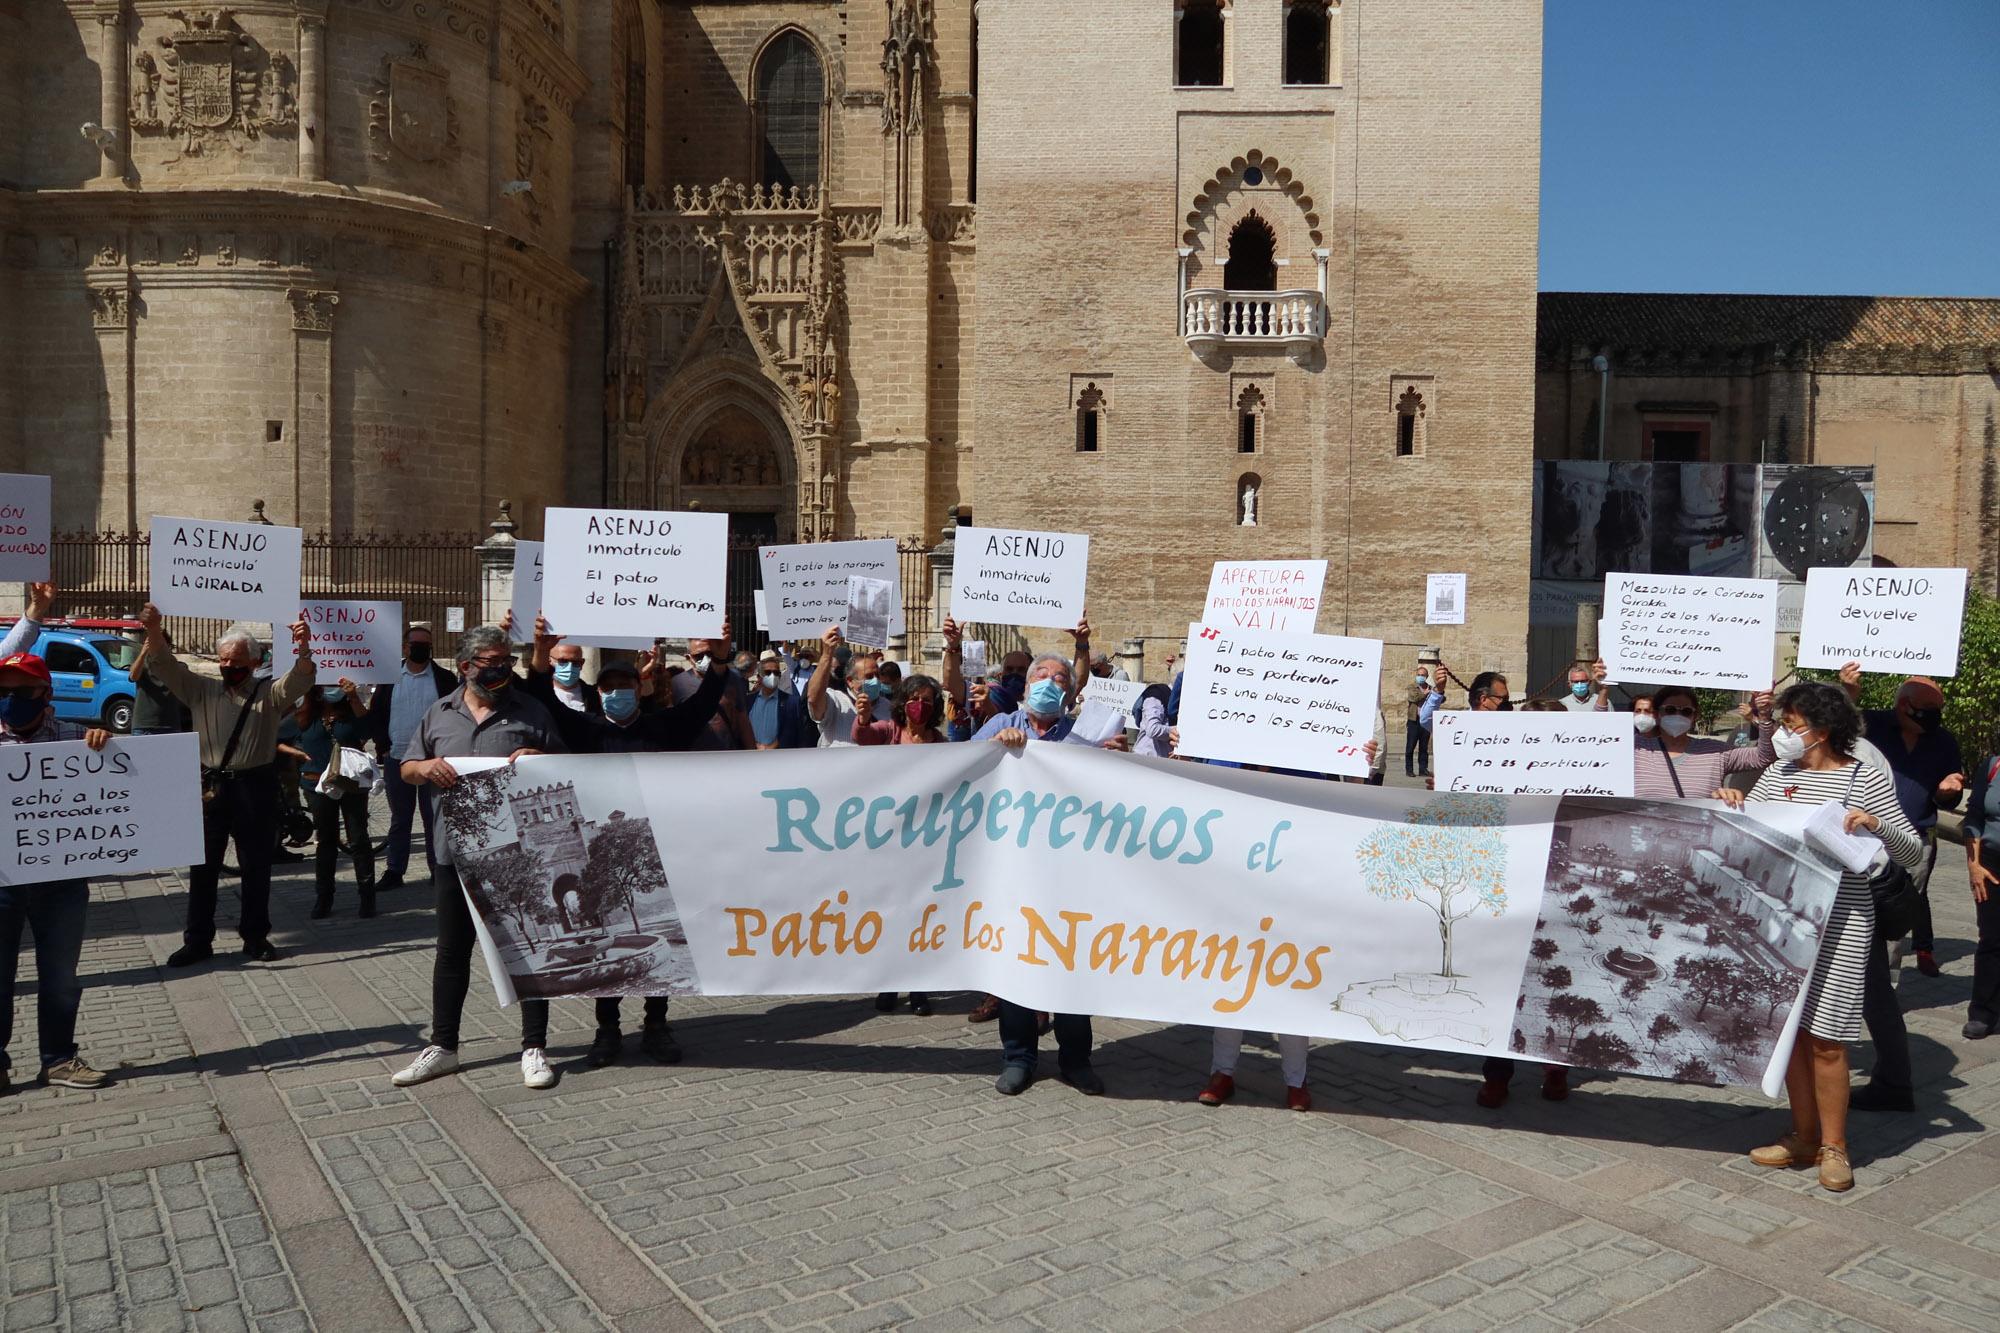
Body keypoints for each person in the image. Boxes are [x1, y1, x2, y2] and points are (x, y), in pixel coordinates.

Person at [1715, 681, 1923, 1193]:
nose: (1784, 734)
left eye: (1791, 725)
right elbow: (1750, 824)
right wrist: (1734, 799)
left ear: (1822, 730)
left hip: (1843, 923)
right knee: (1793, 1033)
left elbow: (1913, 851)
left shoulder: (1864, 777)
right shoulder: (1777, 774)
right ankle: (1802, 1136)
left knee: (1828, 1038)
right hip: (1782, 919)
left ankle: (1835, 1147)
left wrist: (1876, 824)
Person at [523, 617, 734, 1068]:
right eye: (608, 686)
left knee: (652, 935)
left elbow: (707, 700)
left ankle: (657, 1024)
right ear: (598, 693)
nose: (616, 691)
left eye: (624, 684)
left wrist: (718, 657)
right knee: (615, 940)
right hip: (600, 855)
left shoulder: (665, 728)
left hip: (656, 845)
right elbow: (541, 696)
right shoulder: (586, 731)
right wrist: (540, 653)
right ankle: (608, 1030)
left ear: (639, 688)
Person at [391, 625, 565, 1092]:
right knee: (452, 952)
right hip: (454, 855)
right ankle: (443, 1047)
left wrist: (540, 759)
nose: (500, 670)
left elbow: (567, 768)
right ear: (466, 666)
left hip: (516, 857)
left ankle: (534, 1047)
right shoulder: (439, 713)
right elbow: (407, 768)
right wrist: (424, 768)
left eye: (505, 661)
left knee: (529, 948)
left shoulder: (531, 712)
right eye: (490, 662)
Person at [978, 651, 1124, 1096]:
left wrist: (1118, 760)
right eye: (1041, 674)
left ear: (1070, 691)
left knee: (1071, 969)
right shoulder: (1000, 724)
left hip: (1070, 876)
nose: (1049, 681)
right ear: (1025, 687)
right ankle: (1018, 1058)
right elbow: (961, 772)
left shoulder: (1083, 736)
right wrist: (991, 748)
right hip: (1014, 872)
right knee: (1015, 967)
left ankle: (1076, 1060)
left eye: (1059, 677)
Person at [140, 605, 314, 967]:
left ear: (253, 662)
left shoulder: (270, 693)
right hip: (211, 788)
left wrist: (303, 648)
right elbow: (164, 663)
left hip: (255, 787)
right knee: (203, 869)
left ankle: (255, 937)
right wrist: (154, 628)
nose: (229, 668)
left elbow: (300, 679)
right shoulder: (201, 689)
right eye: (223, 661)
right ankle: (197, 941)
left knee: (256, 867)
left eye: (236, 662)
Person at [0, 651, 113, 1092]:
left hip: (61, 882)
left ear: (46, 693)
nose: (11, 699)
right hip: (3, 880)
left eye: (22, 690)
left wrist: (107, 741)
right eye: (3, 691)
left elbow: (116, 779)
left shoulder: (76, 740)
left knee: (62, 977)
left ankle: (59, 1059)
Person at [1843, 665, 1964, 979]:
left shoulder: (1944, 742)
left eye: (1939, 710)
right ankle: (1847, 983)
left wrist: (1946, 792)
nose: (1935, 715)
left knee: (1895, 919)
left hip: (1914, 844)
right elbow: (1831, 733)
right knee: (1850, 915)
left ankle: (1886, 989)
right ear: (1903, 705)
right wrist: (1848, 694)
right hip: (1860, 839)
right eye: (1928, 709)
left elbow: (1945, 799)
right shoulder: (1869, 726)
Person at [367, 623, 456, 889]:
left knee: (434, 818)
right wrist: (381, 744)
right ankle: (395, 870)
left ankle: (437, 869)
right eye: (415, 644)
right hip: (398, 758)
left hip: (434, 760)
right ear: (405, 647)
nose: (420, 649)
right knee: (400, 818)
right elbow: (378, 712)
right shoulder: (390, 677)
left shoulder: (445, 679)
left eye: (425, 645)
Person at [296, 679, 377, 920]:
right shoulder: (307, 713)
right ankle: (324, 898)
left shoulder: (351, 712)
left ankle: (367, 898)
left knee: (358, 839)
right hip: (317, 786)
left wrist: (354, 698)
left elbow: (368, 727)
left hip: (350, 785)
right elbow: (279, 736)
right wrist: (298, 754)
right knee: (326, 841)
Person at [1614, 684, 1775, 801]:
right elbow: (1596, 743)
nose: (1678, 715)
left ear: (1695, 716)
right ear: (1656, 714)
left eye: (1685, 711)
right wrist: (1604, 689)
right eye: (1670, 710)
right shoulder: (1636, 748)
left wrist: (1764, 715)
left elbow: (1764, 757)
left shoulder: (1716, 751)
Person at [1963, 734, 2000, 1040]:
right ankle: (1983, 1013)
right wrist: (1974, 865)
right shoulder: (1991, 766)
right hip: (1990, 863)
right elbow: (1974, 815)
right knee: (1991, 937)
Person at [805, 628, 874, 748]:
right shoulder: (836, 701)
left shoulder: (887, 705)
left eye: (878, 675)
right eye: (869, 676)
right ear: (850, 681)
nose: (875, 680)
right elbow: (814, 699)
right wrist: (827, 654)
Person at [127, 629, 191, 736]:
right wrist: (143, 653)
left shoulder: (179, 666)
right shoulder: (143, 665)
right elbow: (133, 676)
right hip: (144, 726)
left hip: (170, 726)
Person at [749, 648, 810, 749]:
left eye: (776, 673)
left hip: (782, 760)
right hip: (751, 758)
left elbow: (800, 737)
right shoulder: (748, 701)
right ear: (759, 676)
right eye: (768, 673)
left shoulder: (792, 703)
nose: (772, 676)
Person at [546, 639, 600, 716]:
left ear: (582, 663)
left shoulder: (595, 696)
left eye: (576, 662)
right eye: (563, 661)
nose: (569, 667)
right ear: (549, 660)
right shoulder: (541, 694)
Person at [1404, 665, 1433, 777]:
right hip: (1414, 720)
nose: (1420, 677)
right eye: (1419, 675)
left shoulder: (1430, 687)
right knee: (1410, 746)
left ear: (1426, 677)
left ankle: (1423, 769)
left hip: (1425, 721)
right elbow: (1413, 698)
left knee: (1424, 747)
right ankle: (1409, 770)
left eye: (1423, 675)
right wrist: (1425, 694)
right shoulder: (1412, 687)